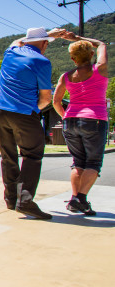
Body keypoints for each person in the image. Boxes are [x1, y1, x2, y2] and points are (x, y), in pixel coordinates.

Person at [0, 27, 67, 220]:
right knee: (32, 155)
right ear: (44, 44)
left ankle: (11, 199)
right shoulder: (42, 61)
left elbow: (17, 41)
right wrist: (32, 109)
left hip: (0, 111)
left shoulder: (11, 52)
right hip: (25, 112)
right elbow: (45, 98)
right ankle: (25, 201)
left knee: (8, 155)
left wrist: (50, 34)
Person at [52, 31, 108, 216]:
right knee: (93, 162)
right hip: (94, 120)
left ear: (72, 58)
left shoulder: (66, 76)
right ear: (91, 54)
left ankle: (75, 201)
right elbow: (101, 44)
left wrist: (66, 117)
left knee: (78, 162)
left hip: (70, 120)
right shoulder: (99, 69)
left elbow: (56, 102)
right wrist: (76, 38)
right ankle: (80, 199)